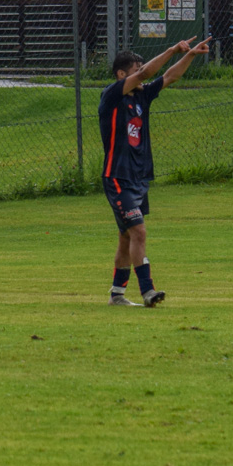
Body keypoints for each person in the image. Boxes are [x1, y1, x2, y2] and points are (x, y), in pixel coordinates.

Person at [98, 37, 210, 307]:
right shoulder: (112, 95)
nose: (141, 73)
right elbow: (146, 73)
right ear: (121, 74)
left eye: (141, 68)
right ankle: (148, 291)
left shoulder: (142, 96)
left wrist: (190, 55)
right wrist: (172, 49)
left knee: (127, 237)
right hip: (118, 177)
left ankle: (117, 295)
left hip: (138, 178)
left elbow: (170, 76)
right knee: (139, 232)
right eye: (135, 69)